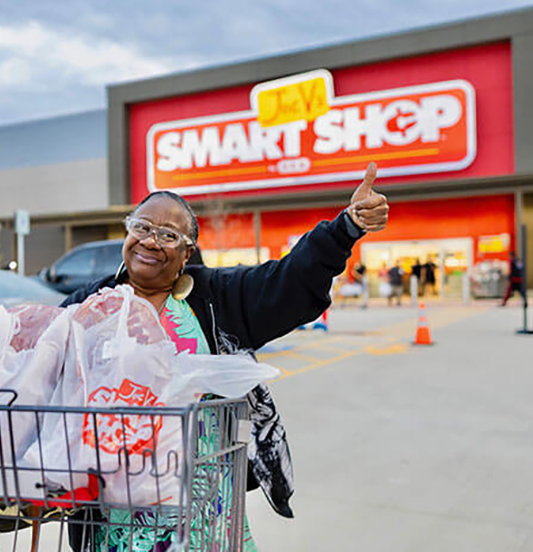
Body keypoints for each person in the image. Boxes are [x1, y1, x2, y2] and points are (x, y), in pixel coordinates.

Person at [60, 163, 389, 551]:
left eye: (168, 235)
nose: (150, 241)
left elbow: (288, 280)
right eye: (142, 228)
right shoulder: (89, 306)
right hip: (116, 519)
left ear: (186, 254)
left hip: (205, 512)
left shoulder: (215, 299)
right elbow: (42, 375)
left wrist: (344, 229)